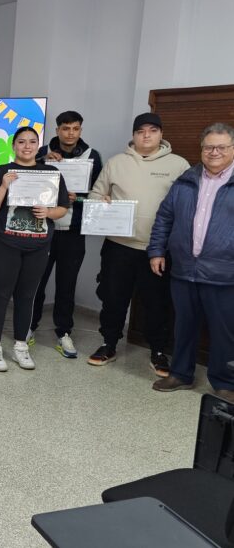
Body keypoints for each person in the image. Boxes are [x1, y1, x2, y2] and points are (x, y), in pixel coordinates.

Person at [88, 112, 189, 374]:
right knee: (113, 298)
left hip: (157, 250)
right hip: (118, 246)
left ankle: (158, 351)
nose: (146, 135)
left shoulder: (178, 165)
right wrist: (102, 202)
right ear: (133, 135)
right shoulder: (116, 162)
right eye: (140, 131)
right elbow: (96, 194)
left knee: (157, 302)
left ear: (161, 134)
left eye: (152, 130)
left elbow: (188, 206)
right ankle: (108, 344)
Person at [148, 123, 234, 399]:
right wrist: (157, 251)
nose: (214, 152)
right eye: (209, 147)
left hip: (224, 273)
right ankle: (181, 374)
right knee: (184, 325)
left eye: (222, 147)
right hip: (184, 269)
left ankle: (226, 383)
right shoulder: (187, 179)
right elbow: (164, 217)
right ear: (201, 149)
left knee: (225, 332)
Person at [0, 126, 70, 372]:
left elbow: (62, 208)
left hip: (38, 244)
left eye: (32, 142)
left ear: (37, 146)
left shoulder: (51, 173)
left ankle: (21, 346)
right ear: (14, 146)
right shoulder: (1, 172)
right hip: (4, 242)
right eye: (21, 142)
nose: (27, 146)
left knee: (27, 296)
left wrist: (49, 212)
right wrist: (3, 186)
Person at [28, 111, 103, 359]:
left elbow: (97, 193)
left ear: (80, 130)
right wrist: (42, 163)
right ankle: (28, 327)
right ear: (58, 129)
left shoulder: (92, 156)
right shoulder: (40, 152)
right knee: (35, 281)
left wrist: (77, 198)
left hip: (73, 231)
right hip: (42, 228)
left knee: (66, 284)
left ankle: (63, 332)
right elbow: (25, 183)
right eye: (65, 128)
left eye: (75, 129)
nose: (70, 133)